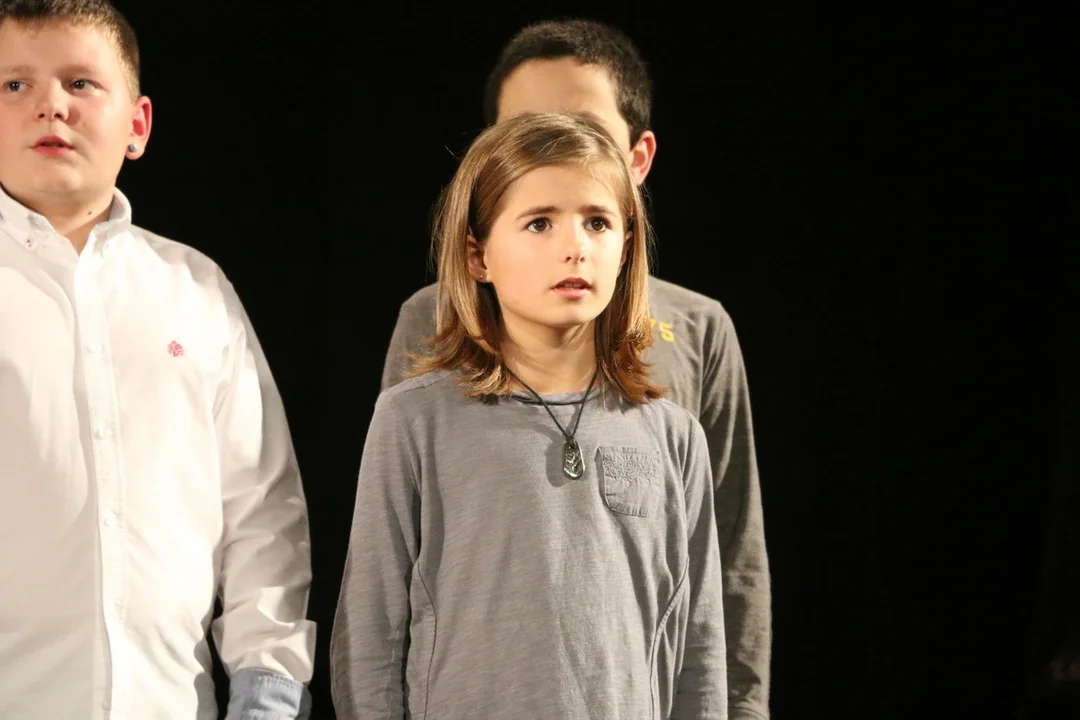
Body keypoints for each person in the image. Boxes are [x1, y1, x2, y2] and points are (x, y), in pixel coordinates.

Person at [380, 18, 770, 718]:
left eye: (581, 129)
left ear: (637, 159)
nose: (553, 146)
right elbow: (392, 561)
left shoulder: (699, 331)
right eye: (524, 131)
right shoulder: (430, 321)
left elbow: (728, 562)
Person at [332, 111, 728, 718]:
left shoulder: (674, 436)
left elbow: (699, 648)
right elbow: (369, 634)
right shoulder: (415, 420)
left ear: (626, 248)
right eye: (539, 222)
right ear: (478, 256)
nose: (575, 247)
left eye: (598, 222)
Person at [0, 1, 315, 717]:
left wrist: (267, 687)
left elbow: (262, 510)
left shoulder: (196, 289)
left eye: (81, 83)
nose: (51, 105)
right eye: (15, 85)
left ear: (137, 126)